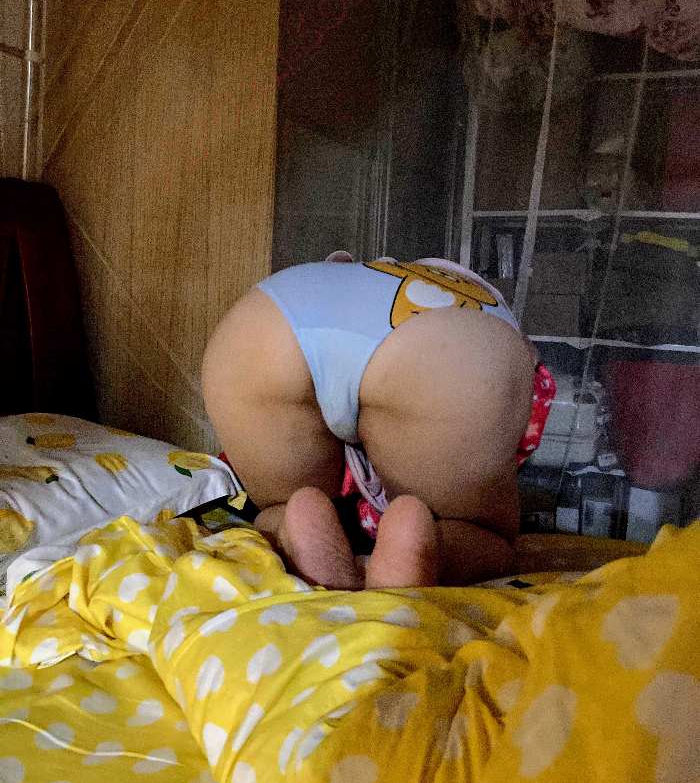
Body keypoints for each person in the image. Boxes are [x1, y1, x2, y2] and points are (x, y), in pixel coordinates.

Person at [201, 252, 554, 589]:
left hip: (272, 314)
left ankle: (293, 520)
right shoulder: (486, 319)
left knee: (279, 501)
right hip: (447, 343)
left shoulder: (360, 277)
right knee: (484, 532)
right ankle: (423, 545)